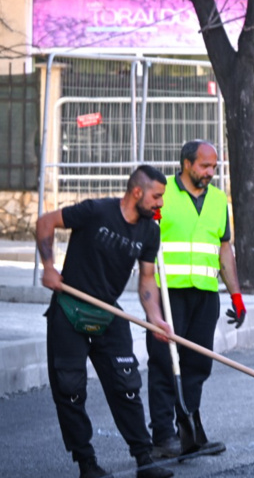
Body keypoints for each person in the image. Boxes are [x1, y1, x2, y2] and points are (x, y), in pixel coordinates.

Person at [37, 165, 175, 478]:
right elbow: (46, 222)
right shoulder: (96, 211)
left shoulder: (150, 231)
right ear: (137, 192)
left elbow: (147, 279)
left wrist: (155, 318)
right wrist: (49, 267)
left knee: (127, 386)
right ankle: (87, 464)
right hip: (69, 309)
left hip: (108, 313)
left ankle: (145, 460)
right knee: (70, 389)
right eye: (156, 196)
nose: (161, 203)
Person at [147, 141, 245, 458]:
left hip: (204, 295)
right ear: (187, 164)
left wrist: (236, 295)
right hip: (168, 293)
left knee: (197, 364)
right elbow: (144, 241)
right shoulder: (162, 193)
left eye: (214, 166)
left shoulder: (217, 200)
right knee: (165, 363)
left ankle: (188, 432)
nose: (210, 172)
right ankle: (163, 437)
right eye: (205, 166)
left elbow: (224, 249)